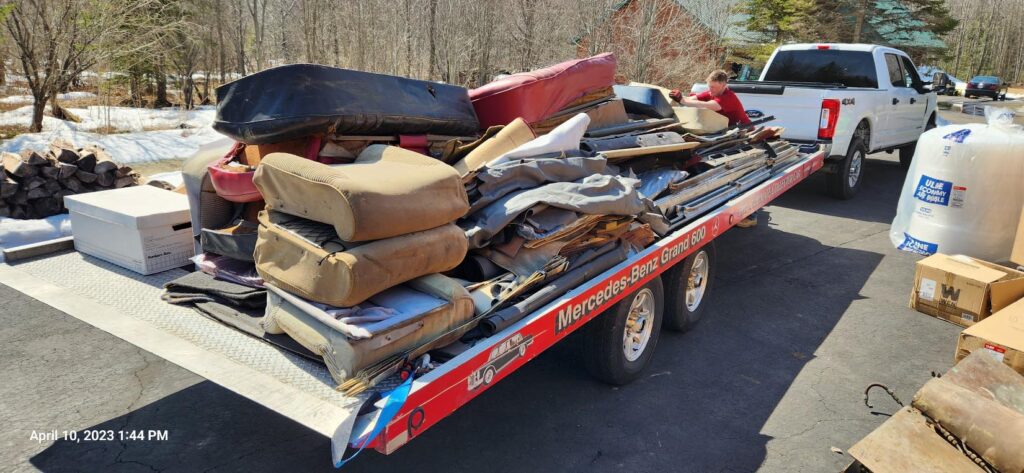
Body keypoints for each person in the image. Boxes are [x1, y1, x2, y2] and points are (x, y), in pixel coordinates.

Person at [670, 70, 758, 227]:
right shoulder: (711, 92)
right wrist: (679, 97)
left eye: (715, 88)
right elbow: (693, 99)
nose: (711, 90)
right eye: (709, 86)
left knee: (738, 174)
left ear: (724, 85)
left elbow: (709, 106)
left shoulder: (728, 98)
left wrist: (683, 100)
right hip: (726, 136)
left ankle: (750, 214)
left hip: (742, 137)